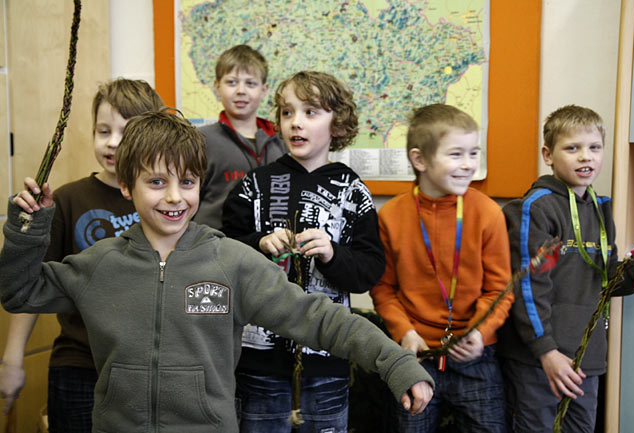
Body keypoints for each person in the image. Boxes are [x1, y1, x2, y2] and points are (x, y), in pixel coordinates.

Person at [0, 110, 434, 433]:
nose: (175, 197)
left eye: (187, 182)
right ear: (127, 186)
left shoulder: (232, 262)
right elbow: (19, 292)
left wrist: (395, 362)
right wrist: (27, 230)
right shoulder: (100, 264)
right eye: (157, 182)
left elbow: (319, 318)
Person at [221, 70, 385, 432]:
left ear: (337, 124)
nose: (296, 122)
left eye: (310, 112)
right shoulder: (254, 185)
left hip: (328, 361)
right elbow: (222, 253)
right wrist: (259, 244)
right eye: (287, 112)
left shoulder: (352, 190)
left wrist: (332, 254)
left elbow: (370, 270)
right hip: (259, 364)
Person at [0, 78, 164, 432]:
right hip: (78, 366)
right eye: (103, 131)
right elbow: (32, 285)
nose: (112, 142)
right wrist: (12, 358)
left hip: (144, 368)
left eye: (126, 132)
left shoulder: (163, 203)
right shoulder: (66, 199)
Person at [497, 104, 634, 432]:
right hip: (538, 360)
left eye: (594, 147)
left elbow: (608, 280)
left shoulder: (601, 209)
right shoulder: (537, 208)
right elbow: (529, 287)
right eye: (572, 148)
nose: (585, 157)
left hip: (585, 361)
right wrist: (546, 351)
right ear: (548, 155)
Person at [370, 104, 513, 432]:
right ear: (420, 160)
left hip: (475, 356)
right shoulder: (390, 216)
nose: (469, 164)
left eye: (474, 153)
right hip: (415, 355)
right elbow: (382, 289)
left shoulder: (488, 213)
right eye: (456, 154)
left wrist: (480, 333)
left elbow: (500, 289)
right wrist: (405, 332)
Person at [192, 44, 286, 230]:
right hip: (214, 242)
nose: (241, 90)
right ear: (217, 87)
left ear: (264, 89)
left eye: (250, 83)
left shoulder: (281, 141)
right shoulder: (200, 140)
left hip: (269, 244)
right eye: (232, 82)